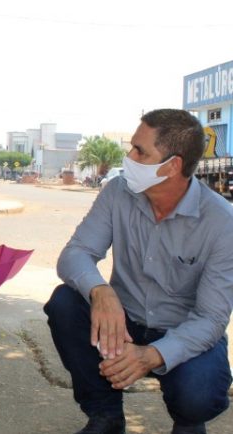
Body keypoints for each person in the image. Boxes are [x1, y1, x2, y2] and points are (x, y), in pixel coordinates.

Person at [44, 109, 233, 434]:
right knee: (65, 303)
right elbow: (75, 254)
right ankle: (105, 417)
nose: (128, 157)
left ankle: (189, 423)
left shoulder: (222, 223)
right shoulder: (118, 192)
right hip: (123, 321)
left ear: (172, 166)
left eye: (139, 151)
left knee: (199, 392)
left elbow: (211, 319)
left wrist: (153, 354)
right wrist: (100, 292)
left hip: (182, 330)